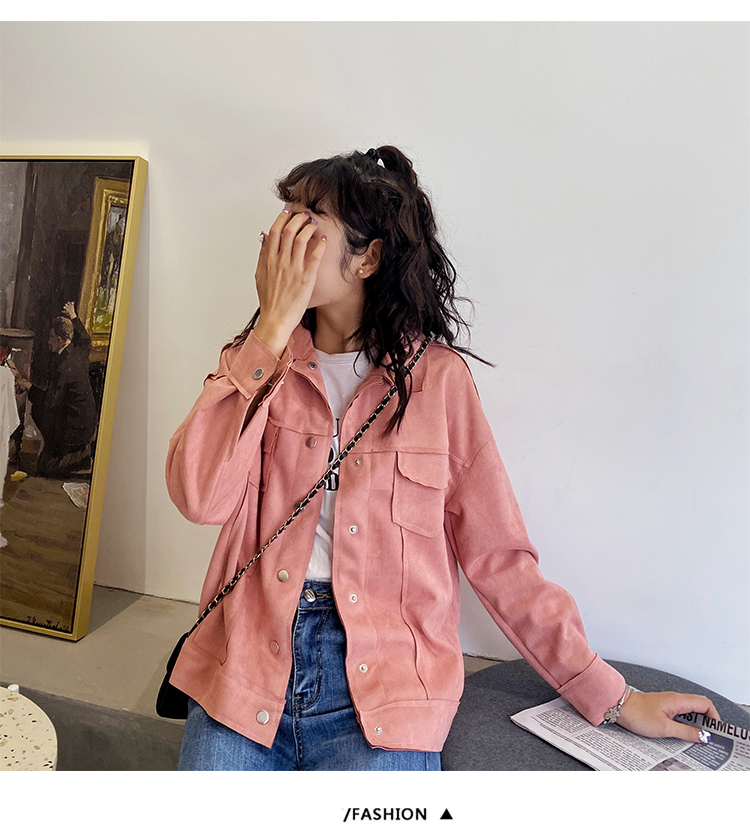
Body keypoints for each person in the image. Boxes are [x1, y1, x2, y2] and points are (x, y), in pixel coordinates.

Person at [166, 146, 720, 771]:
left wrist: (613, 697)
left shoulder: (438, 383)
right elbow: (199, 497)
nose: (279, 236)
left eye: (307, 221)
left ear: (367, 258)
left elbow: (499, 558)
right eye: (283, 214)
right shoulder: (254, 362)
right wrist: (270, 328)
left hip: (386, 690)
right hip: (243, 665)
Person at [27, 302, 97, 478]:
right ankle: (74, 452)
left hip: (76, 428)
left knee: (45, 468)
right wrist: (73, 316)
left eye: (51, 337)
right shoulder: (79, 351)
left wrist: (28, 387)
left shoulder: (63, 368)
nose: (48, 341)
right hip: (88, 422)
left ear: (59, 340)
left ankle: (78, 457)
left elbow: (50, 402)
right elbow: (86, 339)